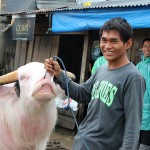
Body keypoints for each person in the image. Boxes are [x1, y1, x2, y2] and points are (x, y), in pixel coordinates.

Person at [44, 17, 146, 150]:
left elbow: (132, 128)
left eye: (114, 41)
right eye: (104, 40)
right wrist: (59, 74)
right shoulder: (101, 69)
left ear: (128, 43)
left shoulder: (133, 78)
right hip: (83, 143)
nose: (107, 46)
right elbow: (82, 94)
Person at [136, 38, 150, 150]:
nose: (147, 48)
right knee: (134, 143)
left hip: (148, 113)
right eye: (145, 46)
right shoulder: (139, 66)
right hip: (137, 110)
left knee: (144, 146)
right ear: (142, 49)